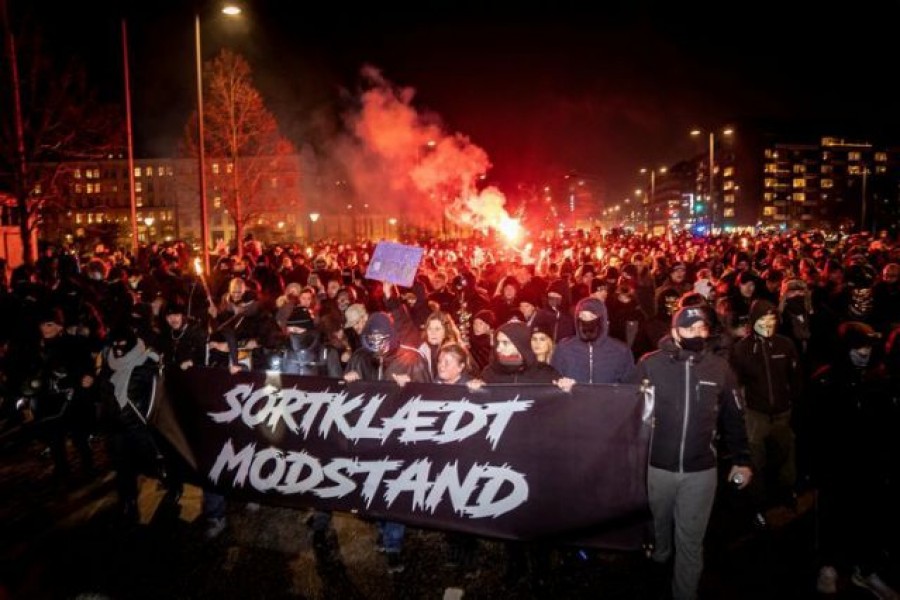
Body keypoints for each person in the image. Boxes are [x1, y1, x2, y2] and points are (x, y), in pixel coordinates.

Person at [633, 306, 752, 600]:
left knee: (690, 541)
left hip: (700, 472)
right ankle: (659, 557)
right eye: (690, 329)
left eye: (702, 329)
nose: (697, 334)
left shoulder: (719, 368)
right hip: (657, 468)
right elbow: (624, 406)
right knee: (658, 529)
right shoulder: (650, 365)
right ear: (674, 332)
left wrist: (742, 460)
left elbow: (734, 417)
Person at [811, 321, 899, 598]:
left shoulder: (879, 380)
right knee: (832, 515)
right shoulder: (826, 380)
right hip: (836, 464)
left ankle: (866, 569)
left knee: (869, 517)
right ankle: (828, 566)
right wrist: (815, 465)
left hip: (870, 464)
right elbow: (811, 425)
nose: (864, 353)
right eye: (858, 348)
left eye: (867, 347)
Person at [344, 312, 431, 573]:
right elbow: (344, 398)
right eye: (372, 338)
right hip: (367, 434)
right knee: (371, 487)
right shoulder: (360, 357)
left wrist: (410, 387)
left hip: (398, 436)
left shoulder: (411, 358)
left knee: (392, 488)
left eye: (382, 338)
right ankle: (382, 530)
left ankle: (393, 543)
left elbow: (430, 395)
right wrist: (348, 382)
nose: (377, 343)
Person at [728, 299, 802, 528]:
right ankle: (757, 506)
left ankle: (785, 494)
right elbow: (735, 383)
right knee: (755, 462)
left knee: (785, 459)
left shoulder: (785, 345)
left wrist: (794, 403)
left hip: (782, 414)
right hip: (755, 415)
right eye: (763, 319)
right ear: (753, 321)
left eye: (772, 319)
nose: (768, 323)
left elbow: (796, 378)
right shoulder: (741, 349)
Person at [550, 297, 636, 385]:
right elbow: (553, 382)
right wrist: (561, 385)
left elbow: (630, 386)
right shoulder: (564, 349)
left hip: (608, 398)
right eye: (582, 316)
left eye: (592, 316)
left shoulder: (620, 351)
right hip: (574, 398)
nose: (587, 321)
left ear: (602, 320)